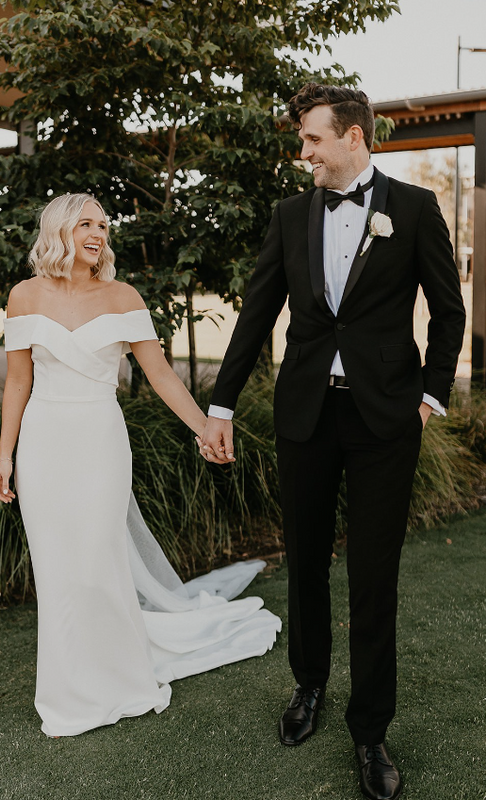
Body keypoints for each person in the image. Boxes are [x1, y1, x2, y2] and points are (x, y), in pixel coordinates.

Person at [198, 84, 466, 800]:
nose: (304, 151)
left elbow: (448, 310)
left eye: (313, 139)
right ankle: (308, 686)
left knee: (373, 577)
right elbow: (257, 311)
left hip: (385, 421)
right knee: (307, 560)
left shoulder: (412, 209)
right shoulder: (289, 215)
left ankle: (370, 730)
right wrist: (219, 406)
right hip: (305, 414)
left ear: (352, 137)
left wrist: (430, 396)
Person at [0, 192, 281, 738]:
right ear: (59, 230)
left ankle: (120, 677)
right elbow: (18, 381)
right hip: (43, 443)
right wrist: (5, 456)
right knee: (57, 569)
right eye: (85, 224)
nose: (98, 233)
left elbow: (161, 374)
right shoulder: (24, 296)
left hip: (100, 440)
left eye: (103, 225)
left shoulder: (123, 295)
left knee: (99, 557)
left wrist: (204, 427)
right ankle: (68, 692)